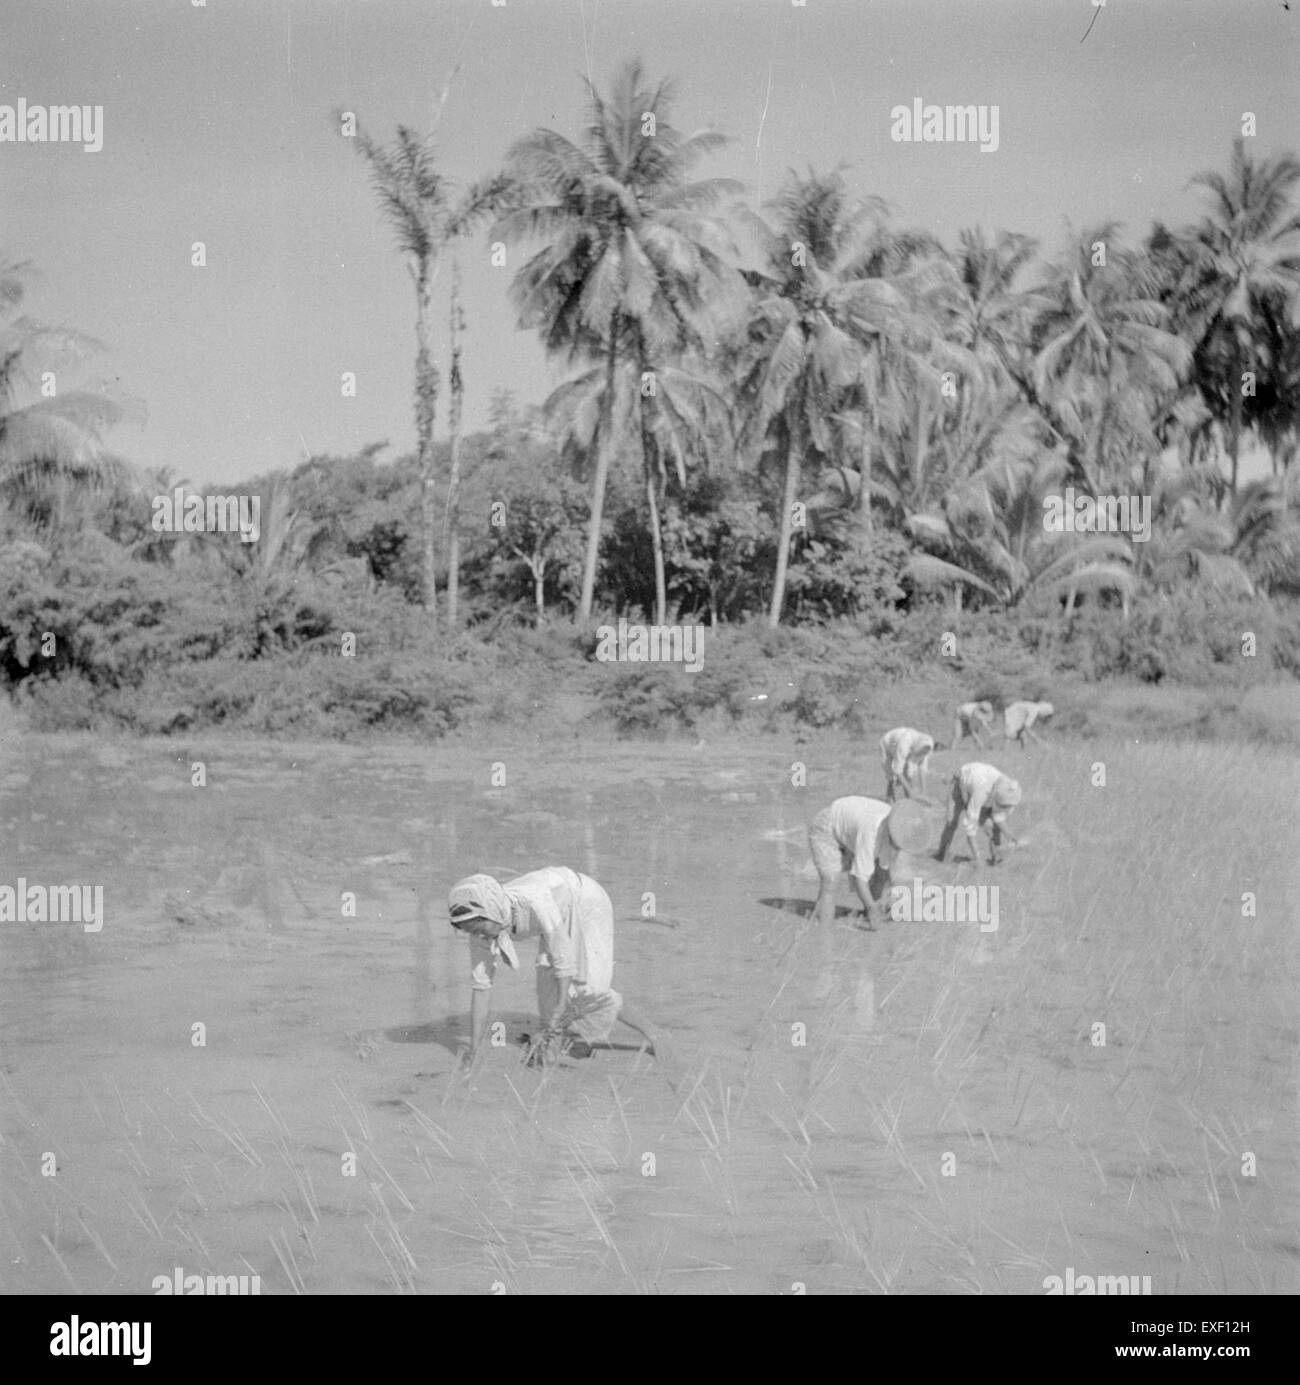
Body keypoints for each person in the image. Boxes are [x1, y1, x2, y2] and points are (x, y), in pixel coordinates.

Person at [447, 868, 663, 1065]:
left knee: (589, 992)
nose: (478, 935)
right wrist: (474, 1051)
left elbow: (564, 963)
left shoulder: (535, 902)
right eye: (470, 931)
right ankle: (566, 1044)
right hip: (554, 917)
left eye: (479, 928)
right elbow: (481, 988)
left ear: (492, 911)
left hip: (584, 899)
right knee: (549, 1010)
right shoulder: (481, 929)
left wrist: (558, 1013)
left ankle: (655, 1034)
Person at [807, 796, 936, 926]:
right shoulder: (871, 834)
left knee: (882, 874)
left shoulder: (897, 823)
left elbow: (884, 874)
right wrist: (871, 908)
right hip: (826, 828)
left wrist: (886, 902)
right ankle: (823, 930)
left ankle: (869, 916)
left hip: (851, 827)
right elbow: (859, 878)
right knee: (830, 882)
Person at [935, 762, 1022, 867]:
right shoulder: (981, 791)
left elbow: (998, 818)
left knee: (992, 827)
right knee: (951, 823)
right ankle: (941, 855)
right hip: (960, 785)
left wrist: (1010, 837)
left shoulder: (1008, 790)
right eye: (1003, 806)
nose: (1005, 809)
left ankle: (996, 858)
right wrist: (977, 857)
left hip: (979, 789)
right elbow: (970, 826)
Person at [879, 726, 936, 801]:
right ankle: (890, 799)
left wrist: (923, 792)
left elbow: (922, 770)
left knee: (909, 773)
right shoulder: (905, 743)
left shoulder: (926, 747)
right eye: (921, 752)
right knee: (892, 777)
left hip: (907, 747)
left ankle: (908, 799)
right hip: (888, 744)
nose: (923, 754)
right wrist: (911, 791)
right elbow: (897, 771)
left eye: (924, 753)